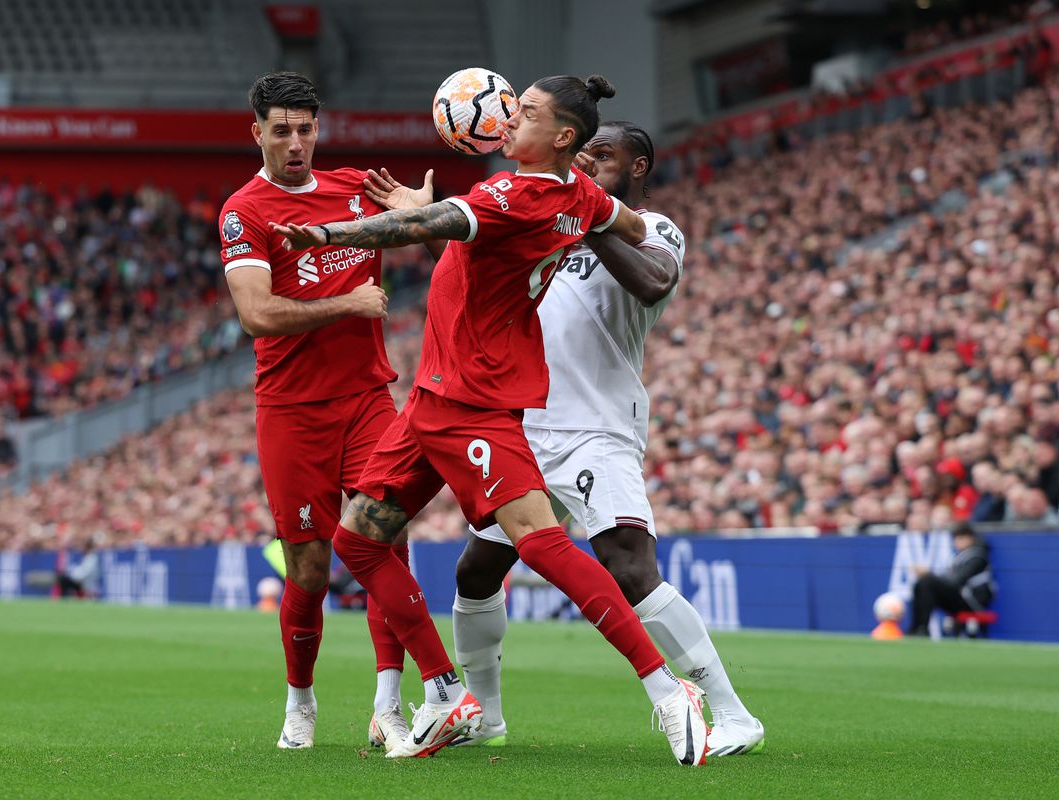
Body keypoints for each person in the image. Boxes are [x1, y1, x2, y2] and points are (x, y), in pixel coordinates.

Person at [272, 74, 711, 766]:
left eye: (526, 111)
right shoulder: (579, 195)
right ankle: (447, 692)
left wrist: (326, 233)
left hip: (474, 398)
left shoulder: (517, 194)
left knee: (539, 543)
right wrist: (592, 223)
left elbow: (419, 228)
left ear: (562, 136)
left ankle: (666, 688)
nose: (509, 118)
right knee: (357, 540)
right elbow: (630, 230)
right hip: (432, 397)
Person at [418, 120, 762, 756]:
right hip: (524, 422)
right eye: (582, 154)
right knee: (477, 571)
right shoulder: (547, 222)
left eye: (603, 155)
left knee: (630, 568)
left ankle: (733, 714)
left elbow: (654, 282)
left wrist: (587, 213)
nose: (587, 162)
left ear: (638, 167)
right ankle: (486, 717)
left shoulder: (652, 227)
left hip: (596, 428)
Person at [220, 71, 416, 753]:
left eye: (305, 129)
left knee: (387, 542)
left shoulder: (358, 188)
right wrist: (347, 304)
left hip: (367, 398)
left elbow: (426, 226)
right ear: (257, 132)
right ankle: (300, 701)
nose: (296, 143)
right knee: (308, 569)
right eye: (282, 131)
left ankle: (389, 705)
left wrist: (422, 207)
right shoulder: (244, 211)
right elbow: (256, 314)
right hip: (291, 410)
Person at [909, 524, 996, 635]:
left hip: (972, 602)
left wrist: (929, 574)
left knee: (927, 581)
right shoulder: (960, 556)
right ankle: (918, 627)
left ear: (971, 539)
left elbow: (956, 581)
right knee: (922, 584)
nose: (958, 542)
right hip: (961, 598)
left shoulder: (978, 557)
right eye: (956, 538)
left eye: (962, 538)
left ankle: (921, 629)